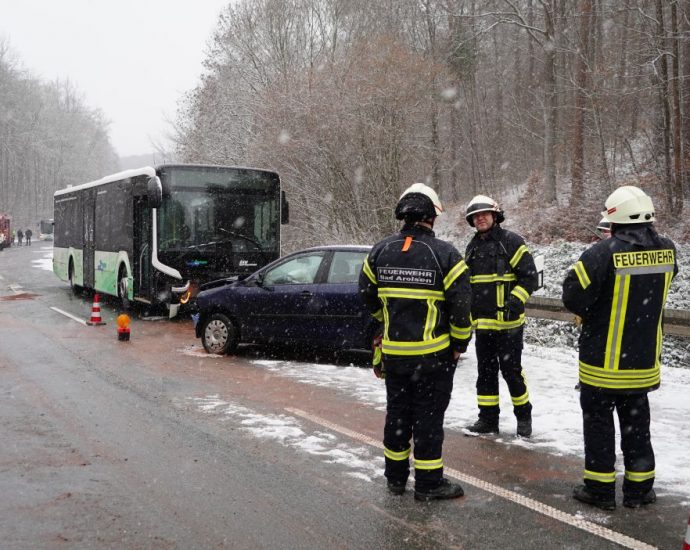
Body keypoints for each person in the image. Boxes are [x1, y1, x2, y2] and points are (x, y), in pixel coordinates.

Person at [562, 186, 677, 511]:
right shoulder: (668, 250)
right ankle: (639, 491)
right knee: (637, 427)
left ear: (614, 220)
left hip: (602, 365)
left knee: (599, 427)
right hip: (643, 363)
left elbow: (572, 296)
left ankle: (599, 491)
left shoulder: (601, 254)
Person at [359, 183, 472, 501]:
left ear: (403, 217)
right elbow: (462, 306)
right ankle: (428, 484)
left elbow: (366, 294)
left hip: (394, 355)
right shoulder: (446, 254)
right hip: (432, 357)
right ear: (432, 217)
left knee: (397, 414)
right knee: (428, 419)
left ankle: (395, 479)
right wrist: (459, 342)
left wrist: (385, 322)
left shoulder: (380, 251)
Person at [463, 195, 538, 437]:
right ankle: (487, 420)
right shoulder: (472, 248)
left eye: (484, 214)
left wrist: (515, 300)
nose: (480, 218)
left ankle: (523, 416)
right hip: (483, 326)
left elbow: (530, 277)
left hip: (510, 326)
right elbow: (467, 284)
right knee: (485, 373)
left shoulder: (511, 242)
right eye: (476, 216)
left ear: (495, 216)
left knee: (511, 371)